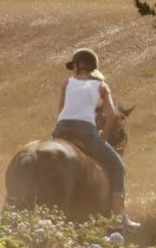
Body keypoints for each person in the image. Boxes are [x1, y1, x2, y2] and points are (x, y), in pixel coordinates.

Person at [55, 47, 139, 231]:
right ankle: (120, 215)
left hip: (61, 129)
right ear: (94, 67)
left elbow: (60, 111)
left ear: (76, 66)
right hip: (85, 131)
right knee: (119, 167)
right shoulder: (101, 86)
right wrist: (104, 134)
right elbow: (112, 116)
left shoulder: (66, 83)